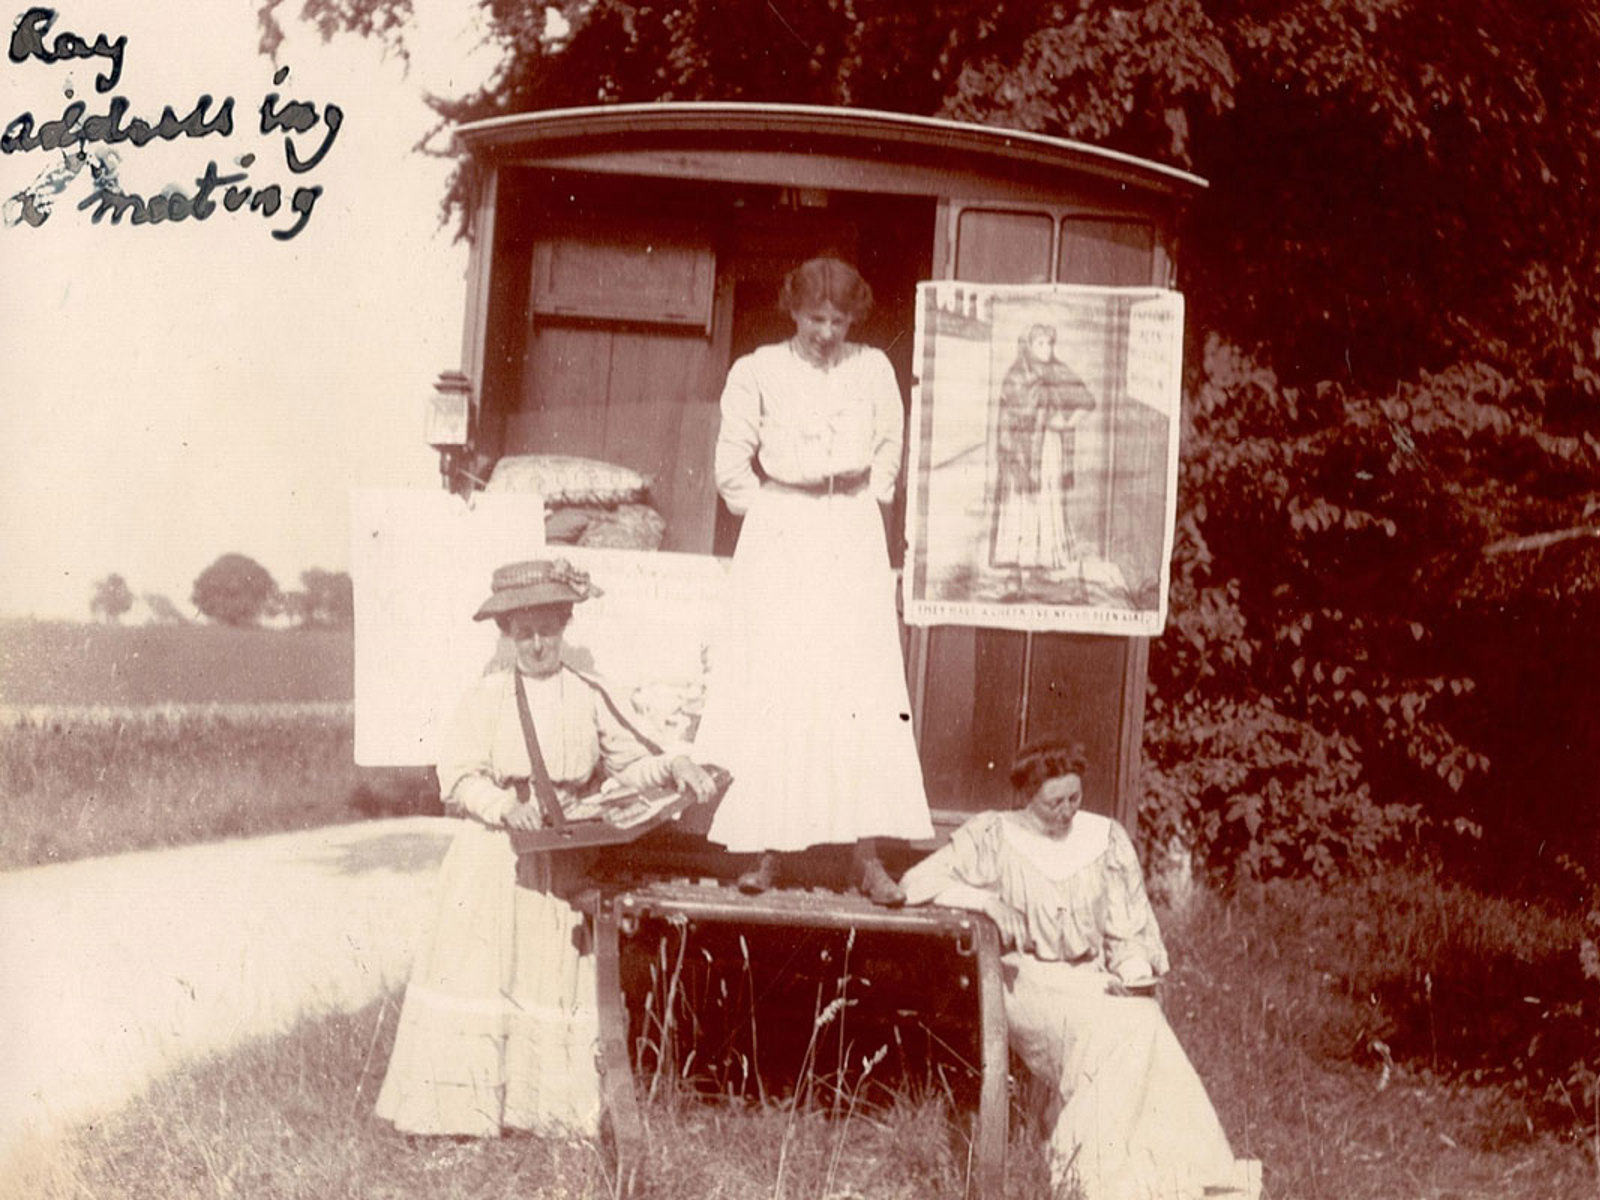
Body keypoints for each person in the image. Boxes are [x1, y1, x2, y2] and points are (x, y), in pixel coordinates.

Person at [375, 558, 718, 1138]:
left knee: (547, 975)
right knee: (484, 973)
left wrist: (675, 764)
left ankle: (541, 1115)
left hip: (561, 861)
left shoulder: (587, 693)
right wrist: (506, 807)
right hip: (493, 860)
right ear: (506, 634)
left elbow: (633, 761)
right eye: (524, 632)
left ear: (565, 625)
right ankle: (461, 1117)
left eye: (548, 629)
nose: (537, 644)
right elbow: (456, 776)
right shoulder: (486, 697)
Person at [901, 740, 1260, 1200]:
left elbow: (1128, 926)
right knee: (1120, 1030)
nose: (1067, 811)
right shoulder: (994, 834)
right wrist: (986, 900)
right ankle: (1090, 1177)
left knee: (1141, 1018)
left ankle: (1171, 1172)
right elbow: (917, 883)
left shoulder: (1104, 838)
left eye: (1074, 798)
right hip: (1027, 979)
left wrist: (1131, 974)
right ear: (1026, 796)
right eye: (1054, 802)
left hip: (1091, 978)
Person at [694, 256, 933, 905]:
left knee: (858, 686)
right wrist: (778, 513)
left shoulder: (872, 368)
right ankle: (768, 848)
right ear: (792, 311)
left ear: (853, 318)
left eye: (838, 319)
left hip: (851, 529)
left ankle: (866, 855)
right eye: (813, 317)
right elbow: (730, 467)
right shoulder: (758, 371)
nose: (826, 331)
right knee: (783, 681)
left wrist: (863, 501)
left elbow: (891, 442)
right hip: (783, 530)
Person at [990, 323, 1096, 583]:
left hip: (1048, 448)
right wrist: (1013, 451)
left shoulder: (1058, 372)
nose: (1046, 349)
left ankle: (1042, 561)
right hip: (1020, 450)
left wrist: (1066, 422)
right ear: (1028, 346)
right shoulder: (1015, 376)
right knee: (1021, 503)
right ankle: (1018, 565)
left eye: (1049, 343)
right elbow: (1006, 418)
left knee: (1046, 499)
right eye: (1040, 343)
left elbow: (1086, 401)